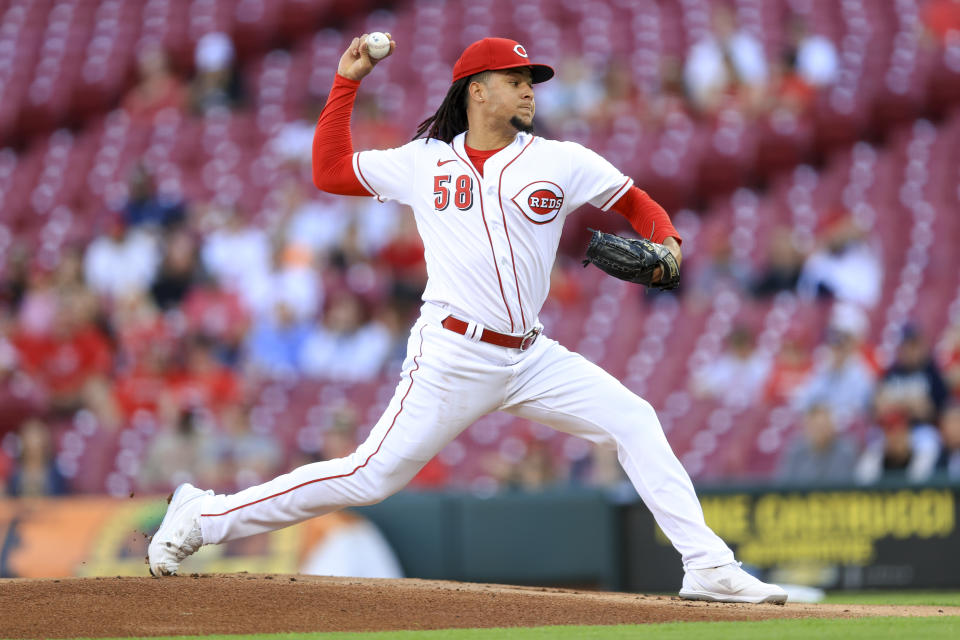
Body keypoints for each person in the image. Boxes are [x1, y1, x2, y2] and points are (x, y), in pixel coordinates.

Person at [149, 34, 786, 604]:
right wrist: (347, 83)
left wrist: (669, 243)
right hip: (452, 355)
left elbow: (639, 205)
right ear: (477, 92)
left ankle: (707, 566)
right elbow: (329, 171)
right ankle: (204, 517)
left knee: (634, 420)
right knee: (370, 476)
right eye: (515, 81)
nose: (528, 91)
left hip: (532, 356)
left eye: (530, 82)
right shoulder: (425, 162)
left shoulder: (559, 160)